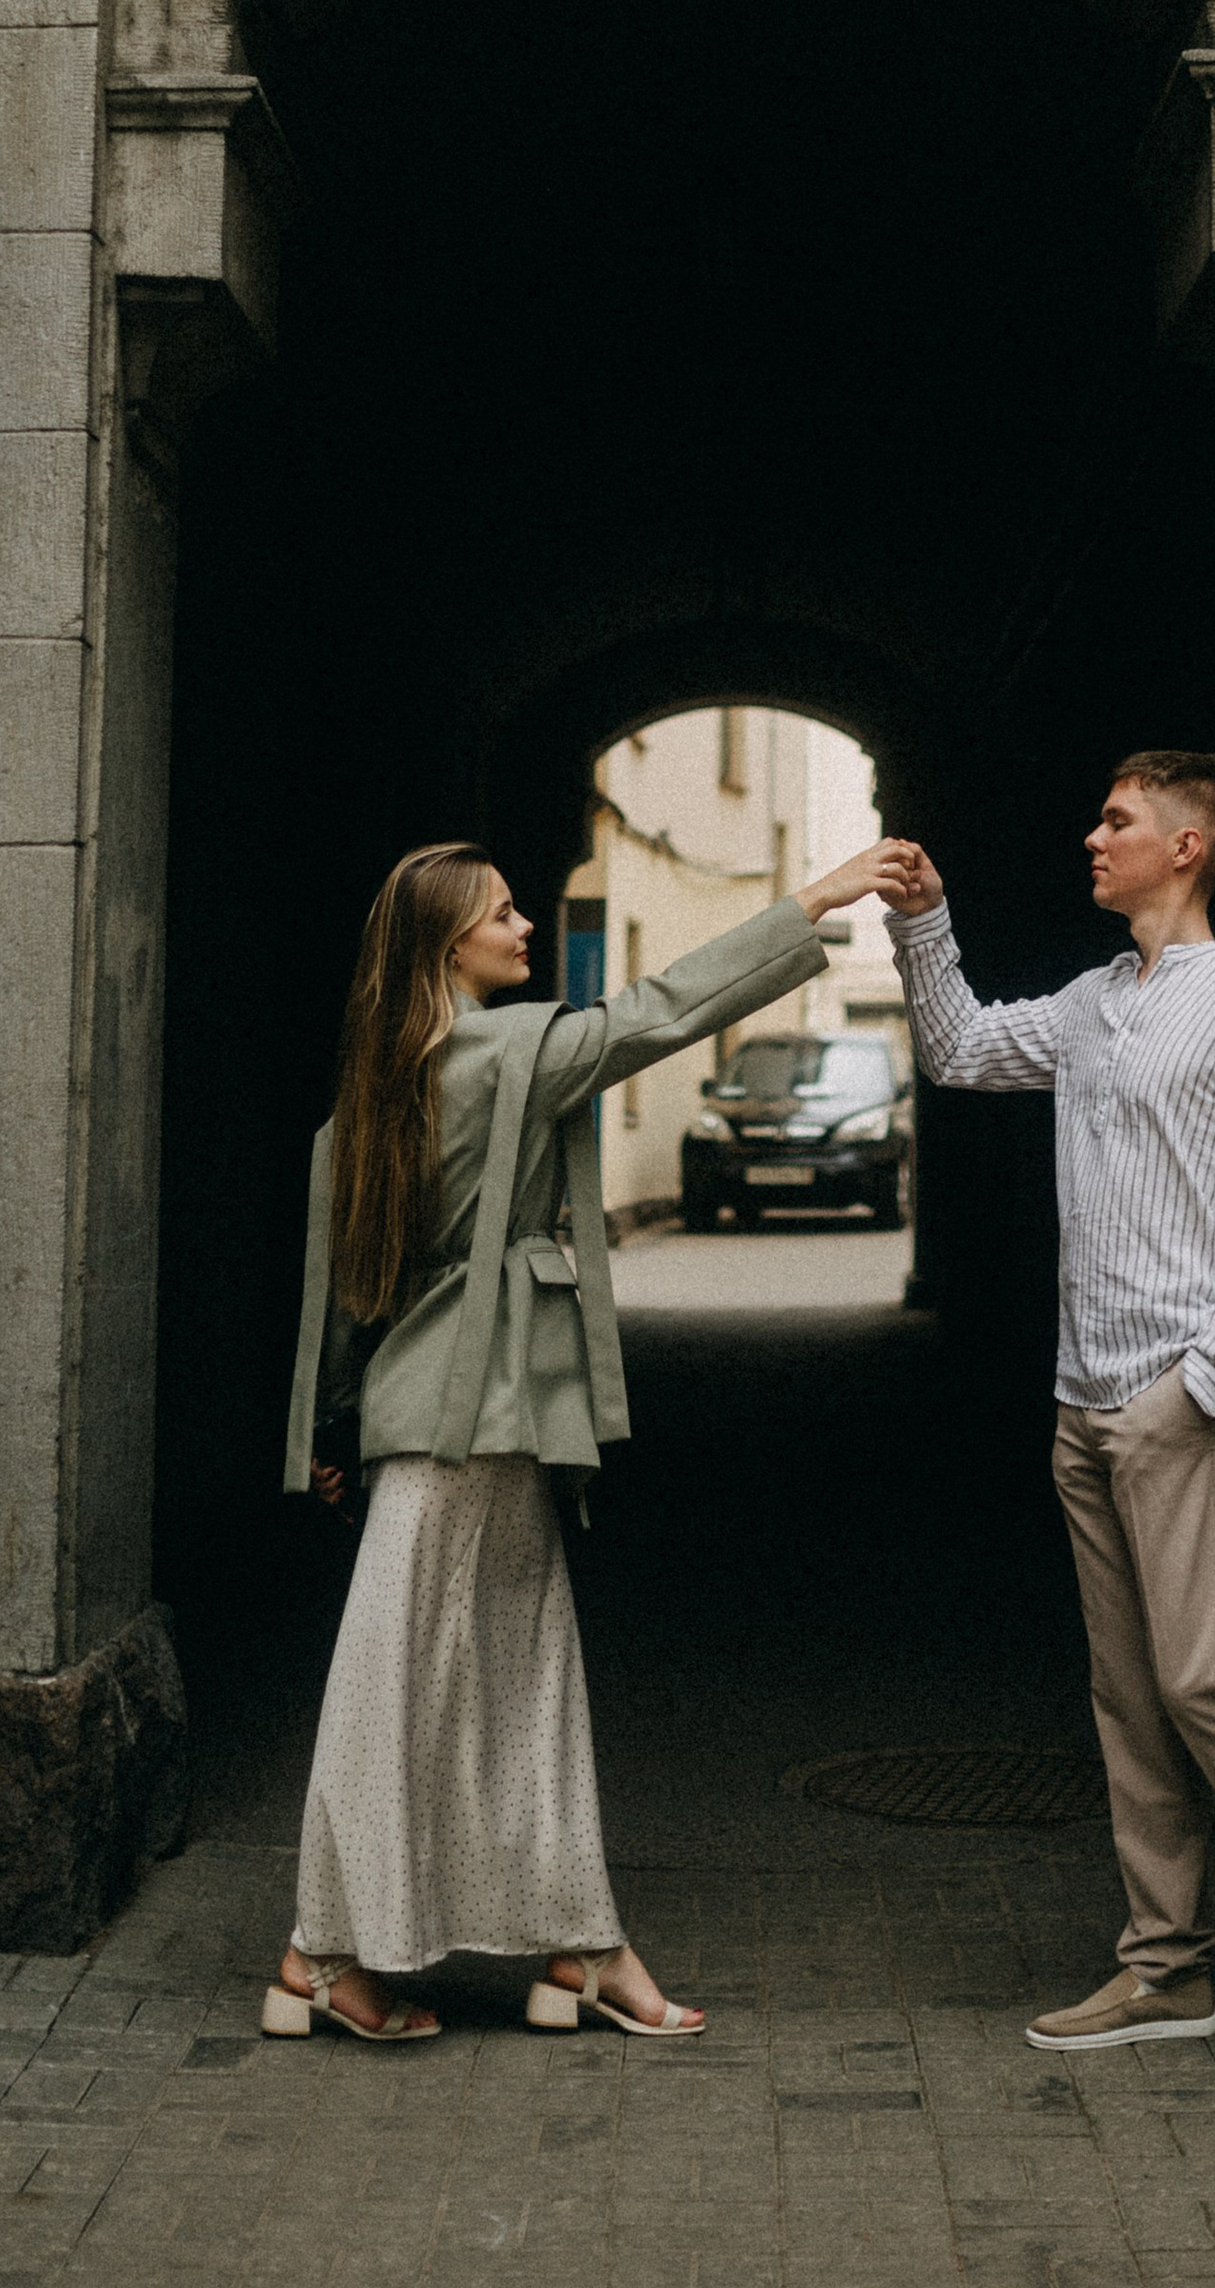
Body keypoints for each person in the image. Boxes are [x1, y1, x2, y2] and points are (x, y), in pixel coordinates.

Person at [265, 829, 908, 2046]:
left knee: (496, 1674)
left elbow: (343, 1281)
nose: (523, 925)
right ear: (445, 942)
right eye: (501, 912)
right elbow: (660, 1012)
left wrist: (332, 1428)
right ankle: (331, 1953)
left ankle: (569, 1946)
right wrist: (814, 899)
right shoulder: (511, 1050)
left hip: (433, 1411)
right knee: (416, 1679)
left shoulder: (381, 1078)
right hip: (486, 1408)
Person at [880, 754, 1215, 2059]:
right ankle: (1167, 1965)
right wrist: (923, 918)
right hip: (1084, 1404)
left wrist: (1201, 1385)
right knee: (1130, 1695)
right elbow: (956, 1046)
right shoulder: (1088, 1005)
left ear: (1188, 844)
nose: (1092, 832)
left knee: (1203, 1675)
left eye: (1117, 817)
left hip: (1182, 1399)